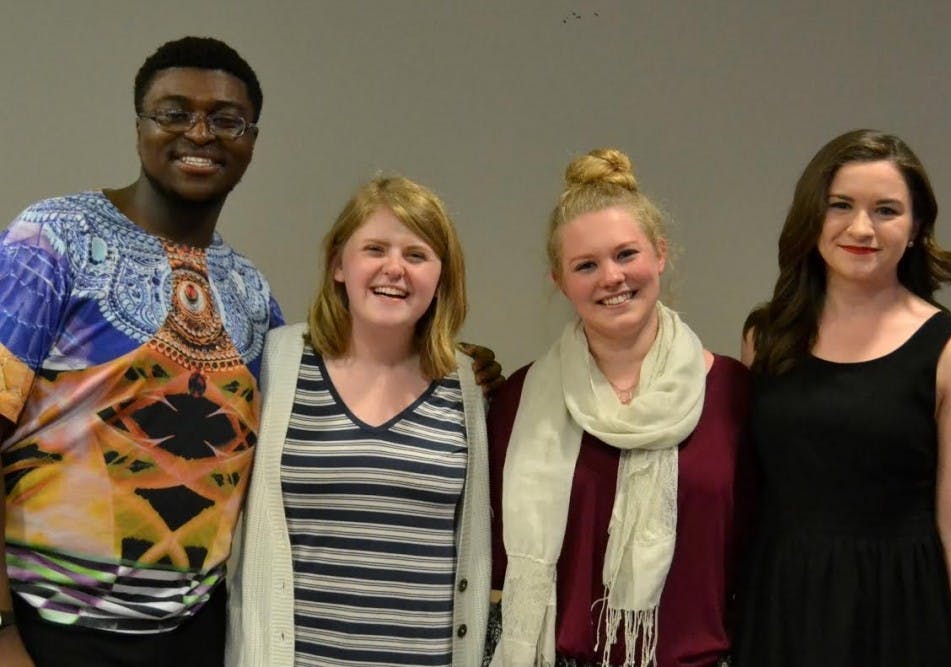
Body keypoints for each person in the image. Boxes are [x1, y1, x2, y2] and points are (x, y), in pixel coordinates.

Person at [0, 37, 282, 667]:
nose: (201, 133)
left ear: (252, 140)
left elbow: (316, 398)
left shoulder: (252, 292)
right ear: (140, 127)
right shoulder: (52, 242)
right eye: (174, 112)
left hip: (195, 636)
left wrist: (440, 362)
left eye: (228, 119)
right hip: (45, 631)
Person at [736, 129, 951, 666]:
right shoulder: (765, 338)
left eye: (886, 210)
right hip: (780, 606)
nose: (862, 228)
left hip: (900, 611)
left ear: (916, 227)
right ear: (812, 215)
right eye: (840, 206)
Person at [486, 148, 753, 667]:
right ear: (559, 281)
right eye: (586, 265)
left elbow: (756, 554)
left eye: (626, 254)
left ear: (660, 253)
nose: (611, 277)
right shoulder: (520, 401)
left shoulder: (732, 394)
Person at [227, 175, 491, 667]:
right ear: (338, 265)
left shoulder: (468, 386)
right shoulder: (277, 363)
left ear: (441, 278)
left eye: (417, 255)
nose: (395, 269)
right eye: (374, 248)